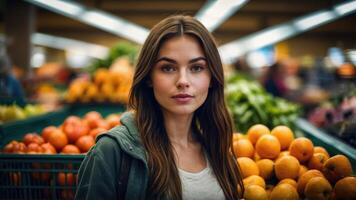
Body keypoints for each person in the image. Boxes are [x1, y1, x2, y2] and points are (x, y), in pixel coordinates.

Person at [75, 15, 244, 200]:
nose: (183, 81)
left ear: (212, 77)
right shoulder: (110, 152)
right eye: (168, 68)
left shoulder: (217, 146)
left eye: (196, 68)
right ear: (148, 77)